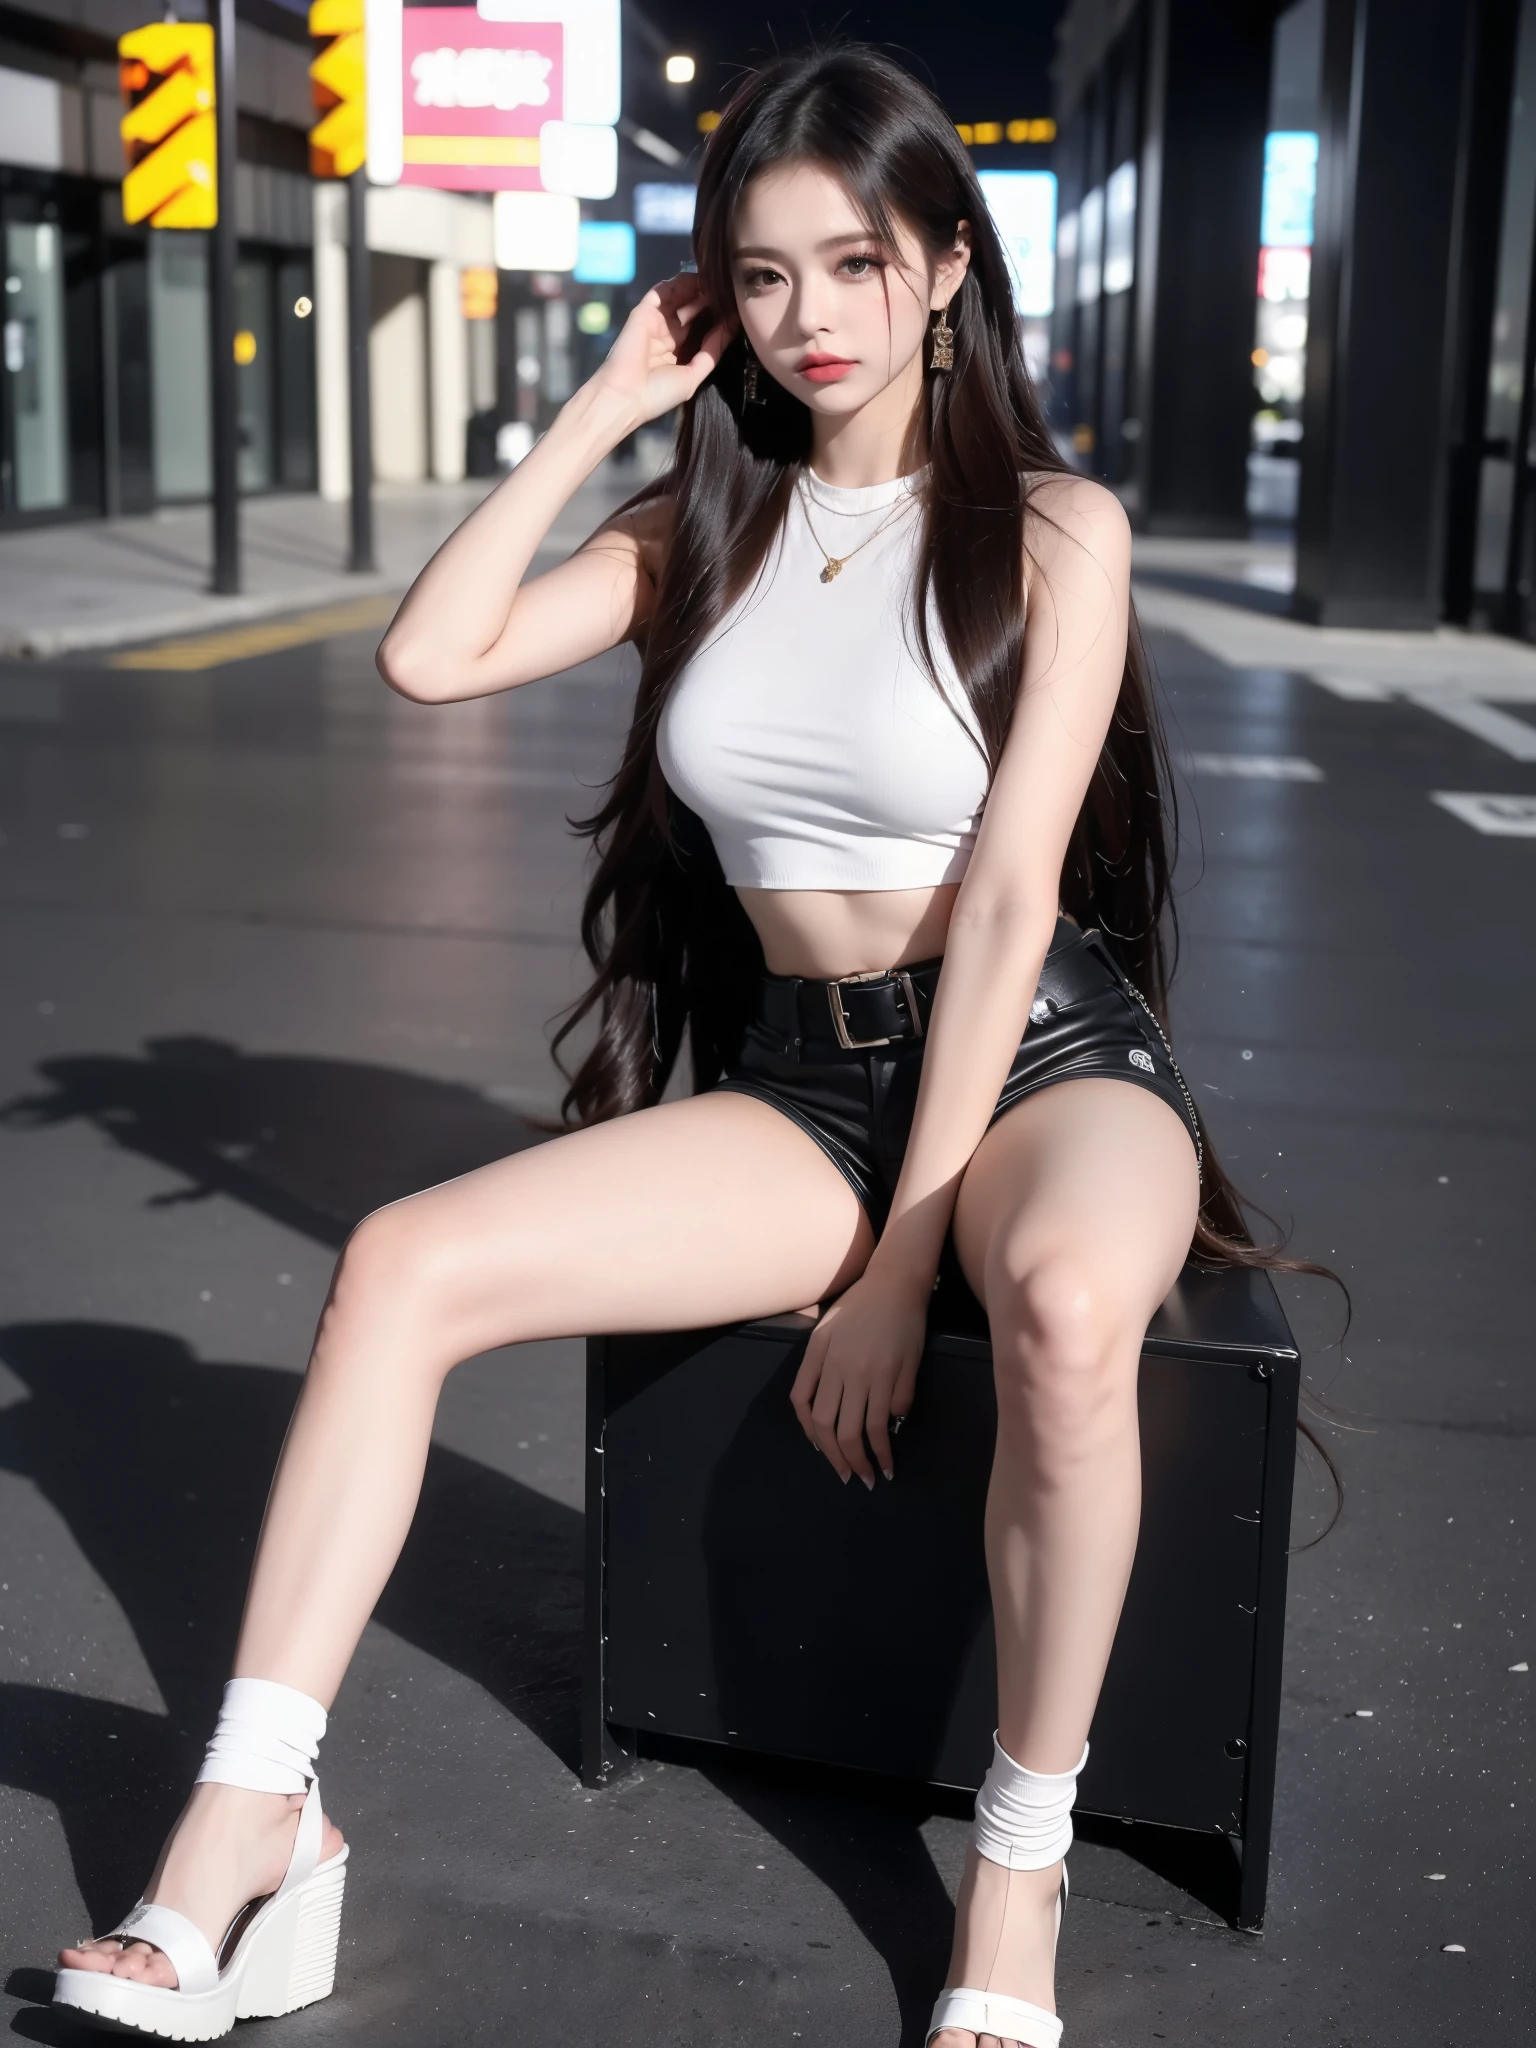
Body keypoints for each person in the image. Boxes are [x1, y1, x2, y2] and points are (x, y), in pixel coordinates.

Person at [54, 44, 1257, 2048]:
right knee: (403, 1264)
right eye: (765, 277)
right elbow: (427, 655)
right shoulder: (702, 527)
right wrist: (609, 401)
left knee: (1057, 1309)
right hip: (812, 1079)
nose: (810, 320)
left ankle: (1015, 1886)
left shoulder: (1056, 527)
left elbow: (1021, 888)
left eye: (856, 264)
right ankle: (251, 1827)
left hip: (1046, 1069)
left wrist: (897, 1263)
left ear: (949, 264)